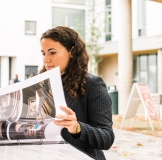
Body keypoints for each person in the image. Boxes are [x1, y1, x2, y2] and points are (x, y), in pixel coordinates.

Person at [40, 26, 114, 159]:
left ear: (72, 52)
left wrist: (77, 128)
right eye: (43, 53)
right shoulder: (43, 84)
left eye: (52, 52)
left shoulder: (93, 84)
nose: (46, 59)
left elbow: (107, 138)